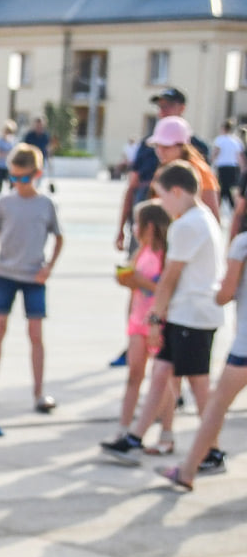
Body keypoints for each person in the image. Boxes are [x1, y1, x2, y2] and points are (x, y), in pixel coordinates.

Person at [102, 163, 226, 467]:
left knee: (198, 385)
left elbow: (170, 277)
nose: (161, 205)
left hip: (192, 315)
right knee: (160, 373)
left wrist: (155, 318)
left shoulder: (186, 225)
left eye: (162, 197)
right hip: (190, 312)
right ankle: (135, 437)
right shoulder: (203, 218)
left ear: (177, 191)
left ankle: (213, 450)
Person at [0, 144, 61, 412]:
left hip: (34, 275)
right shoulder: (5, 202)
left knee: (35, 332)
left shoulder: (46, 204)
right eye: (14, 177)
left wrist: (50, 267)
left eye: (24, 178)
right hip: (6, 274)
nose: (18, 183)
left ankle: (39, 392)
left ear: (37, 174)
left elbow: (59, 237)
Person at [158, 217, 247, 489]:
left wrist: (220, 290)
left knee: (216, 406)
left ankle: (187, 471)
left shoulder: (242, 244)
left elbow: (225, 294)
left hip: (244, 348)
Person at [111, 201, 178, 454]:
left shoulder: (168, 255)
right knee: (134, 375)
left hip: (158, 321)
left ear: (149, 226)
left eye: (137, 223)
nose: (133, 228)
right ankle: (124, 427)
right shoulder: (142, 251)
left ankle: (166, 433)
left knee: (164, 379)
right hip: (138, 319)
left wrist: (142, 282)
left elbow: (166, 289)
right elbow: (130, 275)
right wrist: (127, 279)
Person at [116, 88, 211, 251]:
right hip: (147, 226)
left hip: (181, 234)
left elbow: (209, 200)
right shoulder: (146, 145)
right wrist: (121, 228)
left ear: (182, 108)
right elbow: (132, 186)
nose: (162, 111)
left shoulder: (198, 151)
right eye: (160, 107)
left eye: (168, 106)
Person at [213, 121, 242, 211]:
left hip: (222, 166)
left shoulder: (220, 139)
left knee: (222, 187)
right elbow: (239, 156)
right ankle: (233, 206)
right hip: (233, 167)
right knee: (230, 187)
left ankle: (218, 206)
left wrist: (212, 162)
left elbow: (216, 153)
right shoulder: (236, 140)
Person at [0, 120, 17, 194]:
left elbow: (14, 153)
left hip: (9, 167)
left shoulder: (13, 141)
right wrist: (7, 153)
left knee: (12, 183)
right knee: (0, 183)